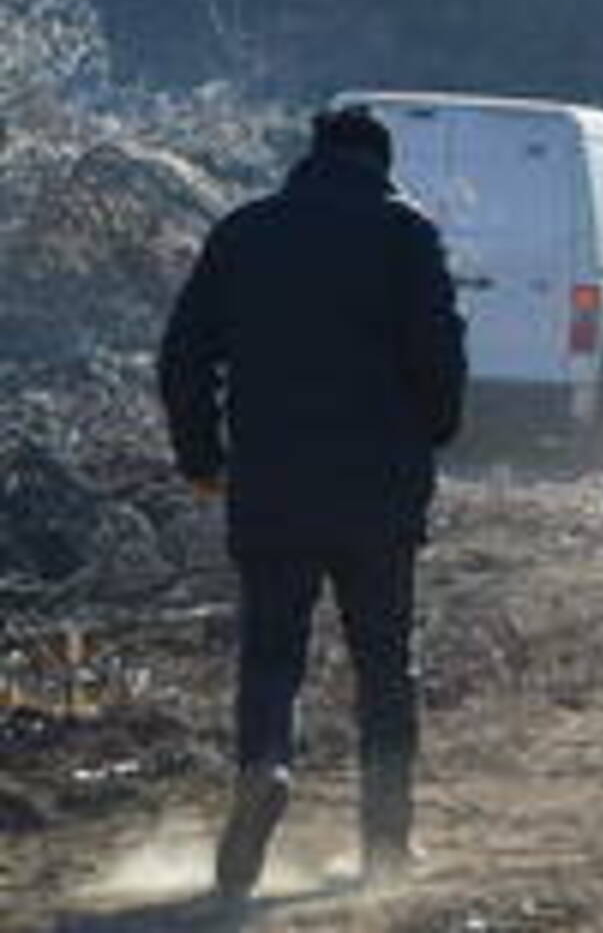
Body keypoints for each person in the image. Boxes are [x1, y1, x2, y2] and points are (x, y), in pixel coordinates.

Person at [157, 105, 466, 900]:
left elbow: (183, 355)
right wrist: (433, 430)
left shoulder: (245, 232)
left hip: (272, 485)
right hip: (380, 492)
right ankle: (386, 844)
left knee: (271, 653)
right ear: (381, 162)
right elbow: (441, 357)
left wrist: (202, 458)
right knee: (384, 664)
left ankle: (265, 764)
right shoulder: (407, 234)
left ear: (312, 155)